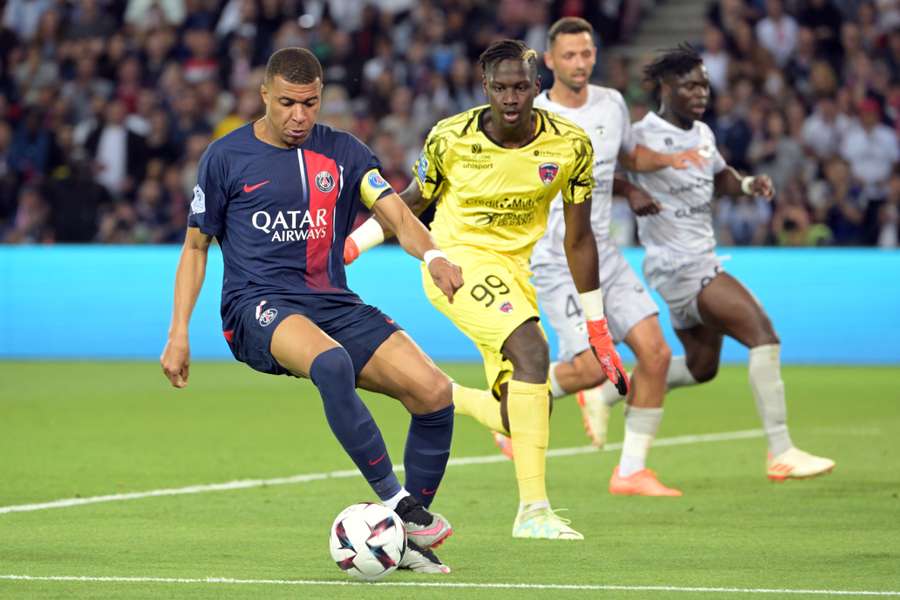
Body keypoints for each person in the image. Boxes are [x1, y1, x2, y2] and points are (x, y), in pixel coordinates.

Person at [160, 48, 470, 574]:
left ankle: (405, 538)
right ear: (263, 95)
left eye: (310, 103)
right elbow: (195, 248)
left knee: (435, 393)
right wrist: (178, 333)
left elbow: (395, 211)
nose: (299, 116)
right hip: (256, 305)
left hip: (332, 301)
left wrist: (435, 254)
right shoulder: (225, 157)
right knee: (332, 363)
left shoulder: (346, 153)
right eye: (286, 103)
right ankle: (399, 505)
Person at [345, 40, 629, 540]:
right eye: (500, 88)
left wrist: (598, 327)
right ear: (485, 88)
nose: (511, 98)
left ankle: (439, 392)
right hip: (455, 264)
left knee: (522, 411)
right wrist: (355, 243)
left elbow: (578, 238)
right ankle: (533, 512)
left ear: (537, 87)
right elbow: (411, 201)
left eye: (521, 87)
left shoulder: (571, 145)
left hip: (516, 275)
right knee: (533, 353)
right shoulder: (450, 138)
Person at [496, 17, 706, 497]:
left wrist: (669, 160)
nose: (579, 63)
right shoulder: (531, 116)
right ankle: (512, 399)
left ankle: (630, 471)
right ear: (549, 62)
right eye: (568, 55)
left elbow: (627, 157)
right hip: (553, 256)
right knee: (593, 367)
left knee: (655, 353)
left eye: (585, 54)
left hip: (602, 251)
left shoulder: (611, 104)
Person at [623, 44, 834, 480]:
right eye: (691, 85)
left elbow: (720, 176)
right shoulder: (640, 135)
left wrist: (747, 183)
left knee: (702, 368)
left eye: (704, 85)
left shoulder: (701, 134)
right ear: (666, 87)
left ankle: (614, 389)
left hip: (694, 261)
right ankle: (781, 449)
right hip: (681, 267)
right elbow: (598, 173)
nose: (702, 93)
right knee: (764, 336)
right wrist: (631, 192)